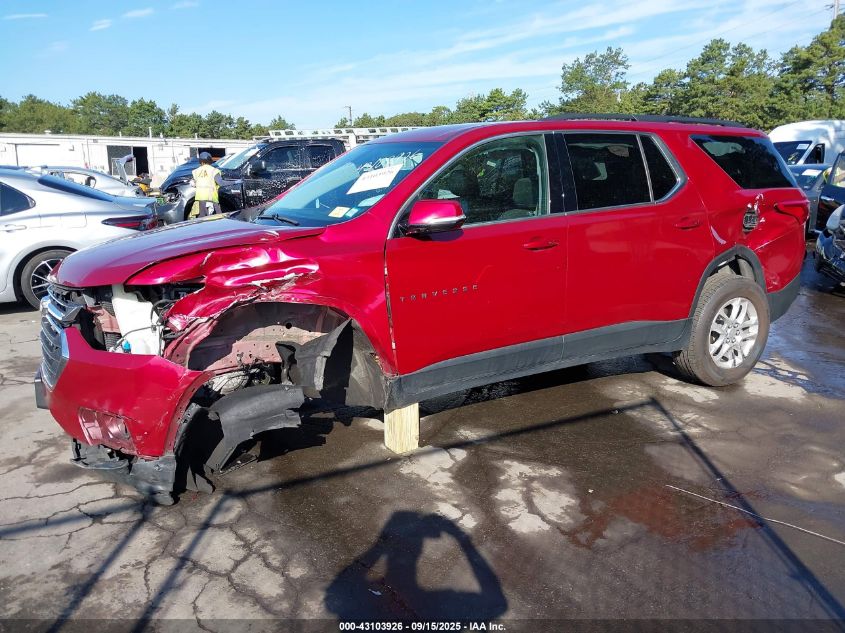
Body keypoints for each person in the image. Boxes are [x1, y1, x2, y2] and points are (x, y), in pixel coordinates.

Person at [190, 152, 223, 217]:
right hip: (212, 199)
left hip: (200, 199)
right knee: (218, 218)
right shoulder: (214, 170)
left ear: (200, 161)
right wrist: (236, 182)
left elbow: (193, 183)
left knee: (202, 218)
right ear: (210, 161)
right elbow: (221, 183)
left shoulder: (196, 171)